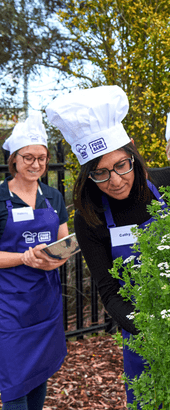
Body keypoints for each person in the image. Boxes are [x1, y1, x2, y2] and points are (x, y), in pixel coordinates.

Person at [45, 85, 170, 407]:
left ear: (133, 152)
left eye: (122, 165)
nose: (116, 180)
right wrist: (151, 331)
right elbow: (109, 289)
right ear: (89, 174)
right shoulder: (90, 217)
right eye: (101, 173)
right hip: (142, 331)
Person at [0, 112, 68, 410]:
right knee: (14, 384)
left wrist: (55, 260)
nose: (36, 164)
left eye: (41, 157)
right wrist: (23, 258)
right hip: (10, 307)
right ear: (14, 159)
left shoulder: (53, 197)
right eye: (28, 157)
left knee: (39, 375)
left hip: (46, 302)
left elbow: (63, 243)